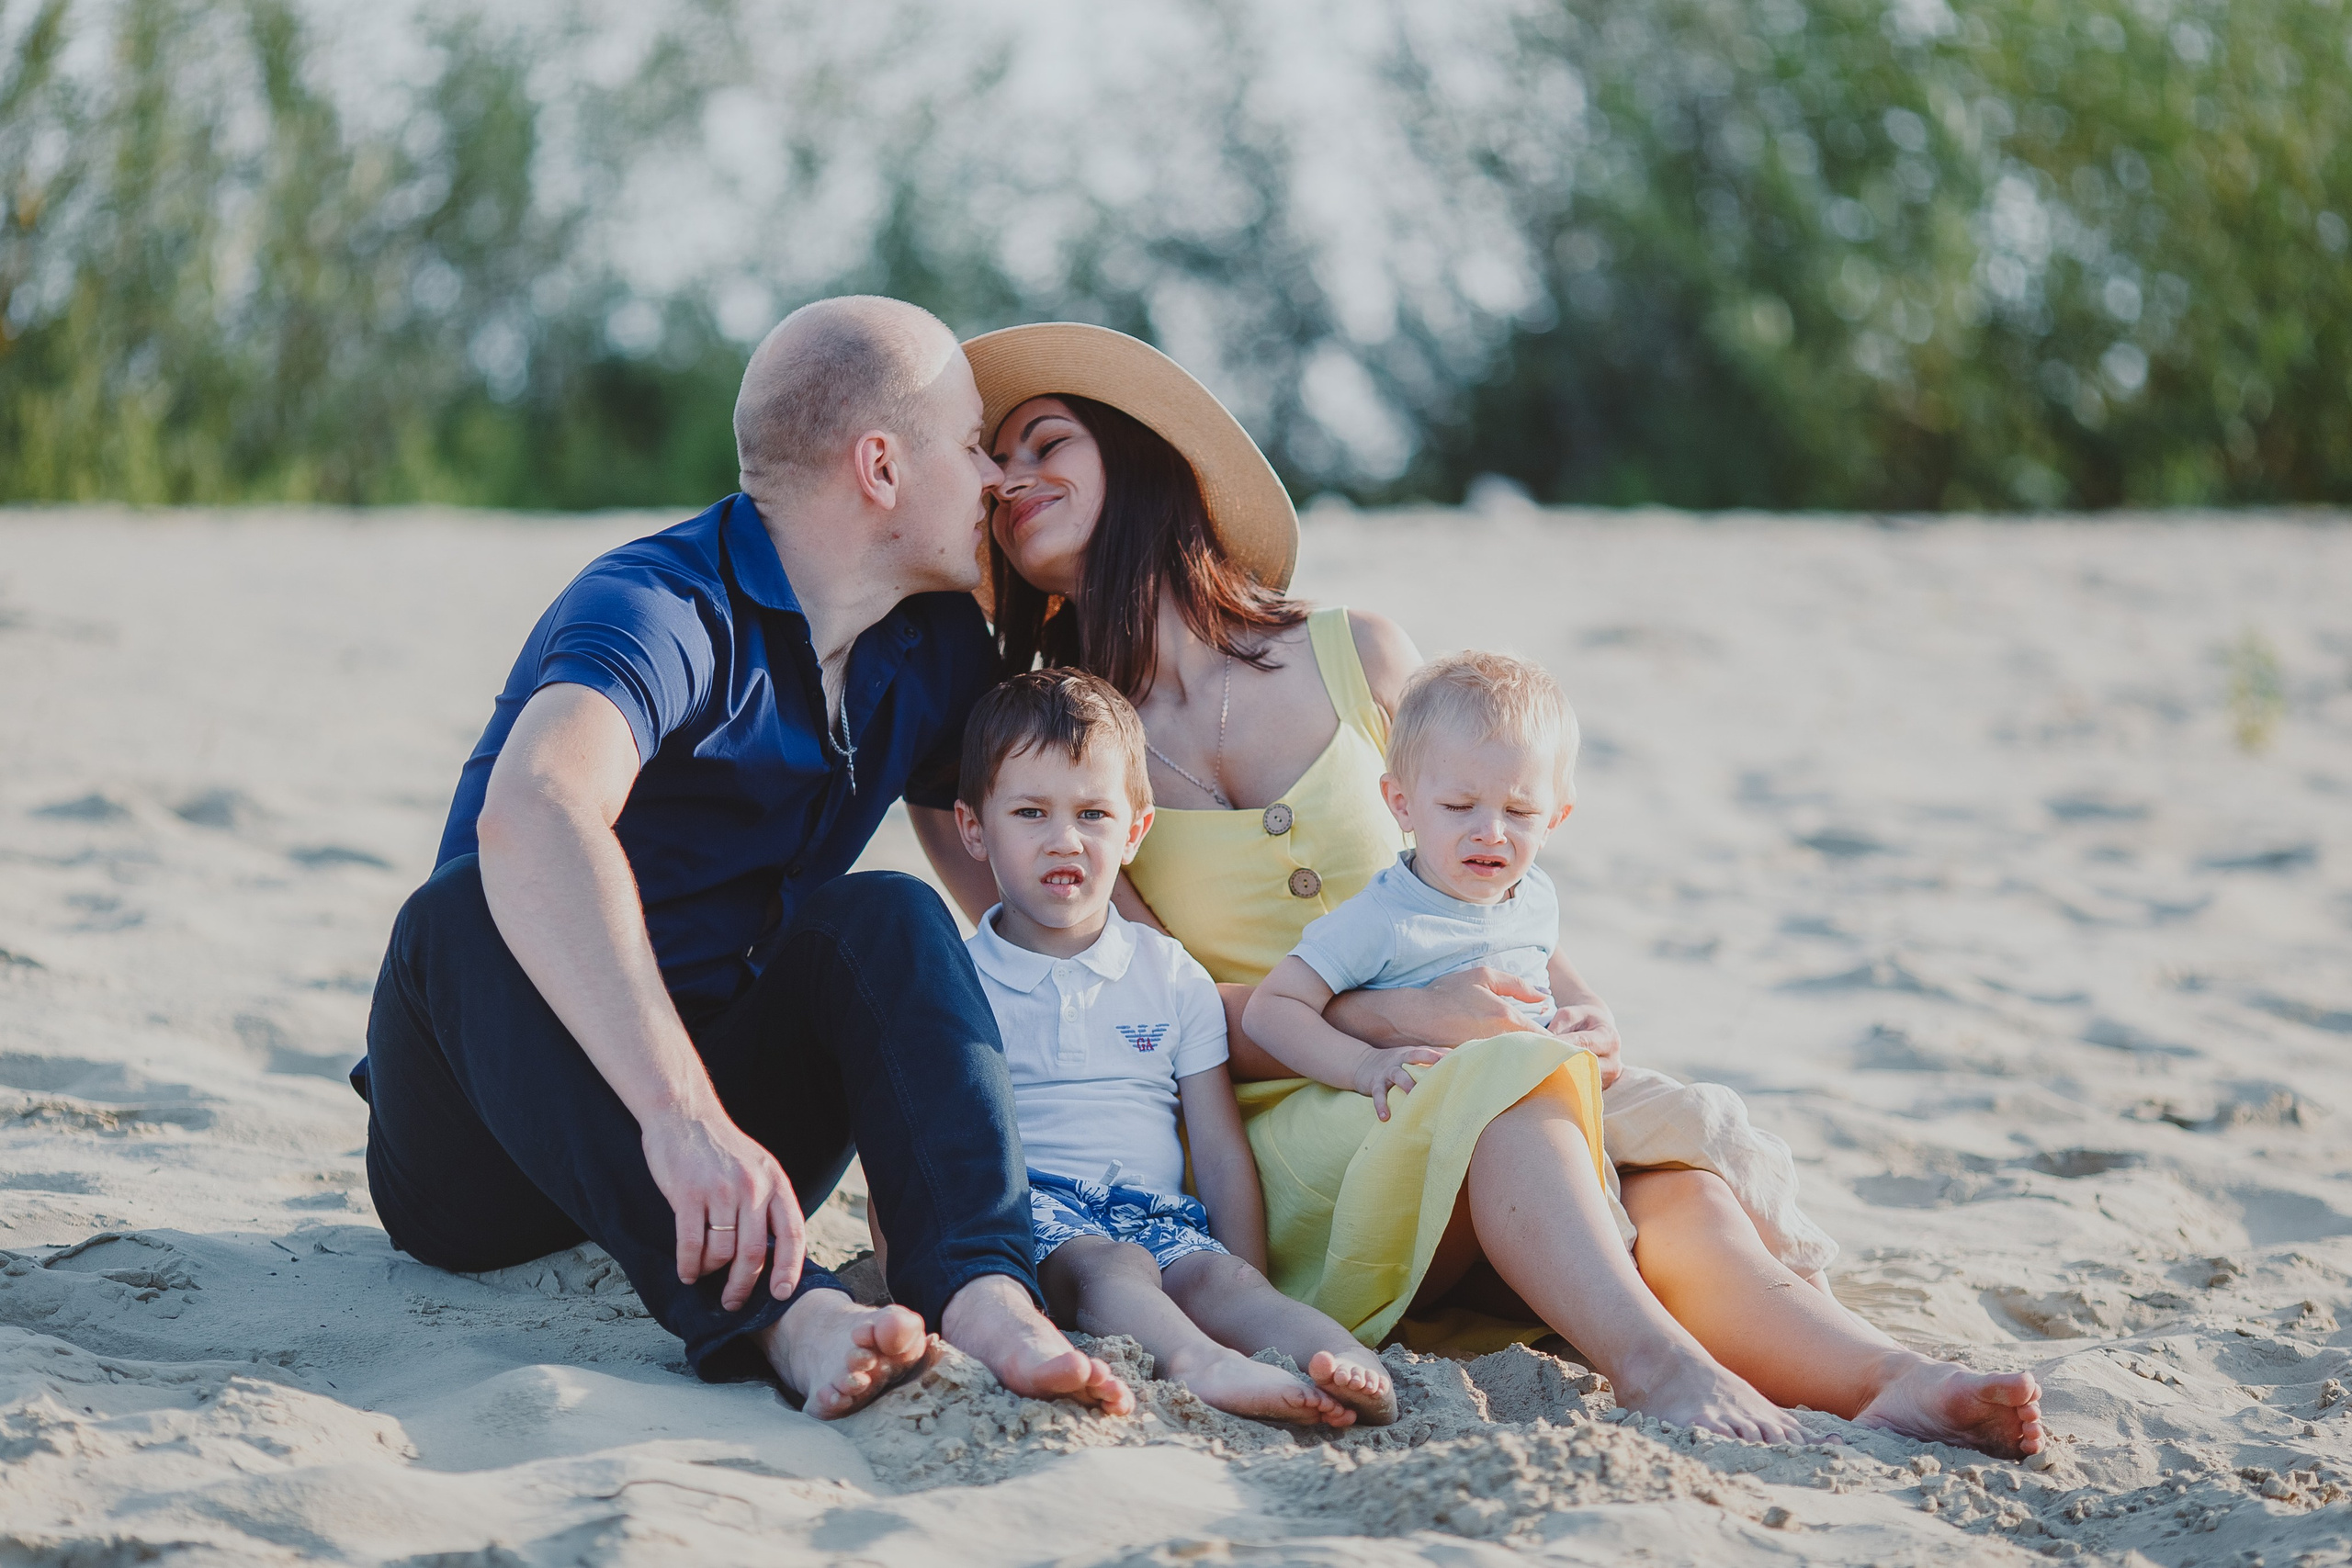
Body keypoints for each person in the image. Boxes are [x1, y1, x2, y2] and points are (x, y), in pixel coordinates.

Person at [922, 321, 2044, 1457]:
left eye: (1044, 443)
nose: (1009, 480)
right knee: (1506, 1093)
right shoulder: (1071, 765)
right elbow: (1144, 1004)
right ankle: (1657, 1369)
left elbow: (1483, 870)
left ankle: (1886, 1379)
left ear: (1143, 453)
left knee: (1666, 1178)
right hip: (1275, 1126)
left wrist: (1571, 995)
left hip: (1475, 1061)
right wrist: (1395, 1024)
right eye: (994, 467)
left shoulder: (1355, 650)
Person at [356, 297, 1132, 1420]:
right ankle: (786, 1319)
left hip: (736, 1160)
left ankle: (979, 1287)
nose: (995, 480)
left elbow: (1058, 816)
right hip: (491, 1156)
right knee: (460, 910)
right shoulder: (660, 601)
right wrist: (683, 1120)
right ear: (880, 466)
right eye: (970, 447)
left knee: (891, 918)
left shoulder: (930, 642)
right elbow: (537, 807)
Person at [949, 668, 1396, 1426]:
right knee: (1111, 1264)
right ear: (973, 828)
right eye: (1031, 812)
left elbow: (1219, 1150)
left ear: (1134, 831)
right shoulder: (961, 976)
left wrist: (1247, 1271)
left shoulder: (1169, 973)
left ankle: (1350, 1362)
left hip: (1157, 1208)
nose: (1065, 839)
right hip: (1040, 1213)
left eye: (1093, 812)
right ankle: (1197, 1361)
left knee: (1224, 1282)